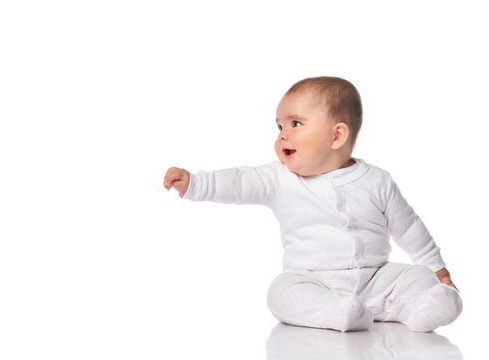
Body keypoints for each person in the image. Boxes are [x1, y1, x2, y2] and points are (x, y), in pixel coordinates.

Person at [163, 76, 462, 332]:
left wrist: (438, 270)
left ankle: (423, 308)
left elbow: (408, 227)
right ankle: (338, 313)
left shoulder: (377, 181)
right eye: (279, 126)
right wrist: (195, 183)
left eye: (295, 123)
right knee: (280, 292)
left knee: (415, 276)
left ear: (336, 136)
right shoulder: (279, 179)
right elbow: (239, 182)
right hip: (313, 281)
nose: (283, 135)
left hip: (376, 279)